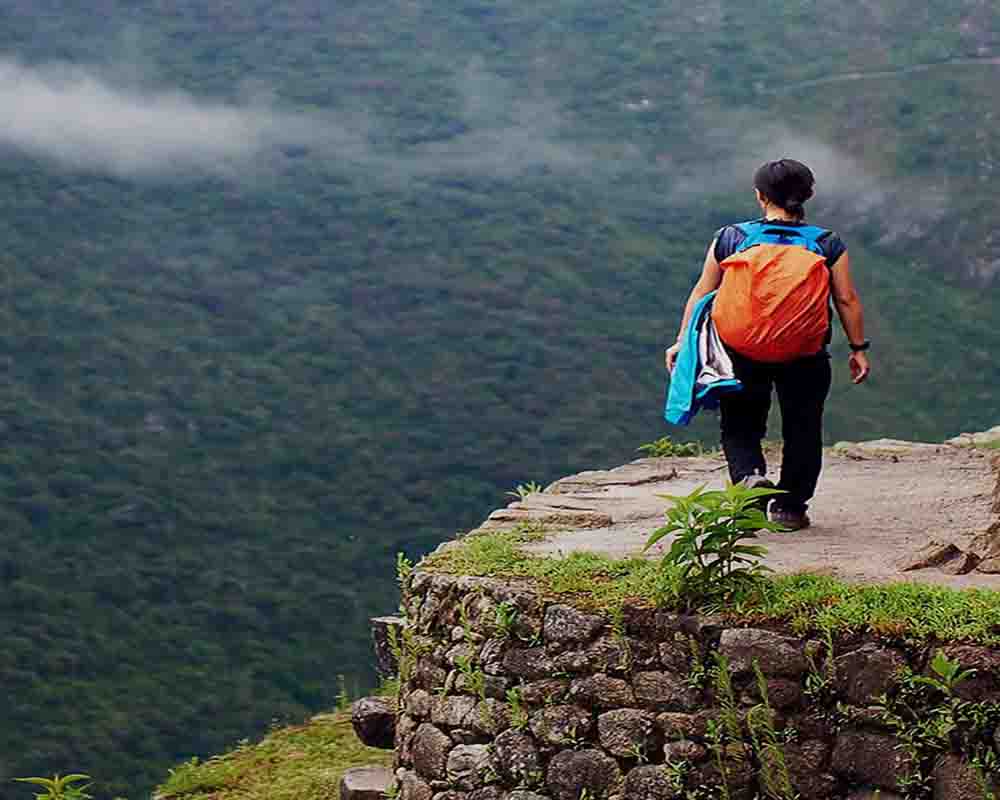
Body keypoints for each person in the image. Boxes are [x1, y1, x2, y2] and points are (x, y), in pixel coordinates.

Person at [664, 159, 870, 530]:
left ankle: (749, 485)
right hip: (805, 354)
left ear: (760, 197)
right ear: (807, 195)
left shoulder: (731, 237)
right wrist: (858, 348)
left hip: (740, 349)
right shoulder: (826, 243)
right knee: (803, 427)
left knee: (741, 425)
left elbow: (702, 291)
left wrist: (683, 341)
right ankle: (791, 508)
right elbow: (847, 300)